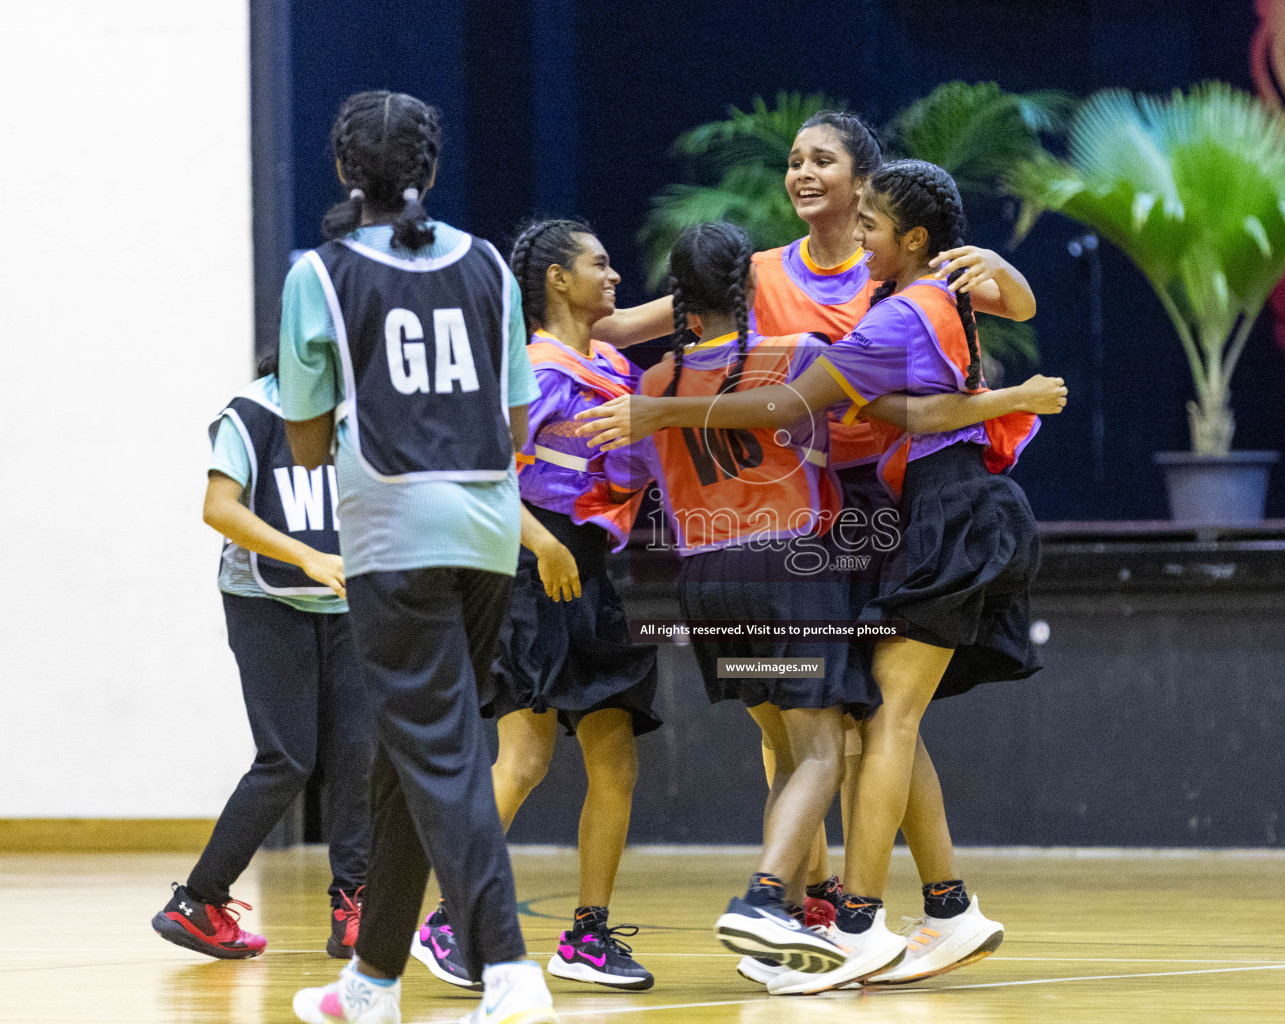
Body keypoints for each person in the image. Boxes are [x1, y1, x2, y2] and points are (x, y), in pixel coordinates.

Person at [576, 160, 1067, 994]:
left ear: (901, 228)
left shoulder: (873, 321)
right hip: (853, 539)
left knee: (859, 726)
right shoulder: (901, 301)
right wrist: (1002, 395)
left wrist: (649, 403)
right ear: (746, 290)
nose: (800, 170)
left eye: (825, 163)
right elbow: (917, 402)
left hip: (791, 555)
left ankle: (841, 915)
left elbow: (782, 405)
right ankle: (900, 907)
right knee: (849, 729)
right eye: (793, 158)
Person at [280, 90, 556, 1024]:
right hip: (486, 531)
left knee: (440, 753)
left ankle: (509, 966)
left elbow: (309, 446)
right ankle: (373, 981)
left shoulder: (317, 275)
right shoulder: (488, 264)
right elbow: (517, 422)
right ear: (431, 172)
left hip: (393, 534)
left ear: (344, 171)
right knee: (409, 759)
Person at [612, 220, 881, 976]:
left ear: (679, 303)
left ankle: (782, 934)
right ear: (750, 289)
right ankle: (763, 898)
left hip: (702, 583)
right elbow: (865, 424)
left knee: (787, 754)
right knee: (824, 753)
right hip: (788, 567)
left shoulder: (652, 385)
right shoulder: (797, 357)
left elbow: (633, 475)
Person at [409, 220, 658, 992]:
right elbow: (482, 472)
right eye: (600, 262)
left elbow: (675, 335)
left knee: (615, 755)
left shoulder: (611, 365)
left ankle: (587, 937)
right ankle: (447, 922)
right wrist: (543, 545)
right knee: (523, 759)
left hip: (589, 568)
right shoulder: (533, 370)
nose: (613, 275)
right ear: (556, 279)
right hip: (530, 563)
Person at [151, 355, 369, 963]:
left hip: (348, 602)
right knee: (288, 757)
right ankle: (197, 901)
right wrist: (306, 556)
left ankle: (354, 905)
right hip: (264, 601)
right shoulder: (254, 412)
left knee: (360, 752)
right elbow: (218, 508)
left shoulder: (359, 415)